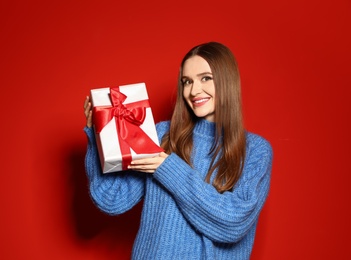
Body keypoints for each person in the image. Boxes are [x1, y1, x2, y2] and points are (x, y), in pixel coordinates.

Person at [83, 42, 273, 259]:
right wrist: (96, 135)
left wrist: (167, 167)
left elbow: (233, 223)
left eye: (205, 78)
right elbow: (111, 200)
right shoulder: (161, 135)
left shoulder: (256, 150)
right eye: (187, 81)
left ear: (227, 80)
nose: (194, 90)